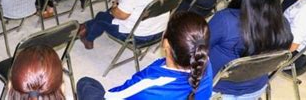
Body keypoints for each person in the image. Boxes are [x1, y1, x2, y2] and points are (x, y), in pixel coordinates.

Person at [77, 11, 213, 100]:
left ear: (166, 44)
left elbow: (111, 97)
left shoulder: (150, 84)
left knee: (85, 84)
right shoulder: (205, 63)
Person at [209, 0, 293, 98]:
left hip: (218, 89)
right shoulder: (283, 24)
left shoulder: (224, 20)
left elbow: (197, 50)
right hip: (256, 89)